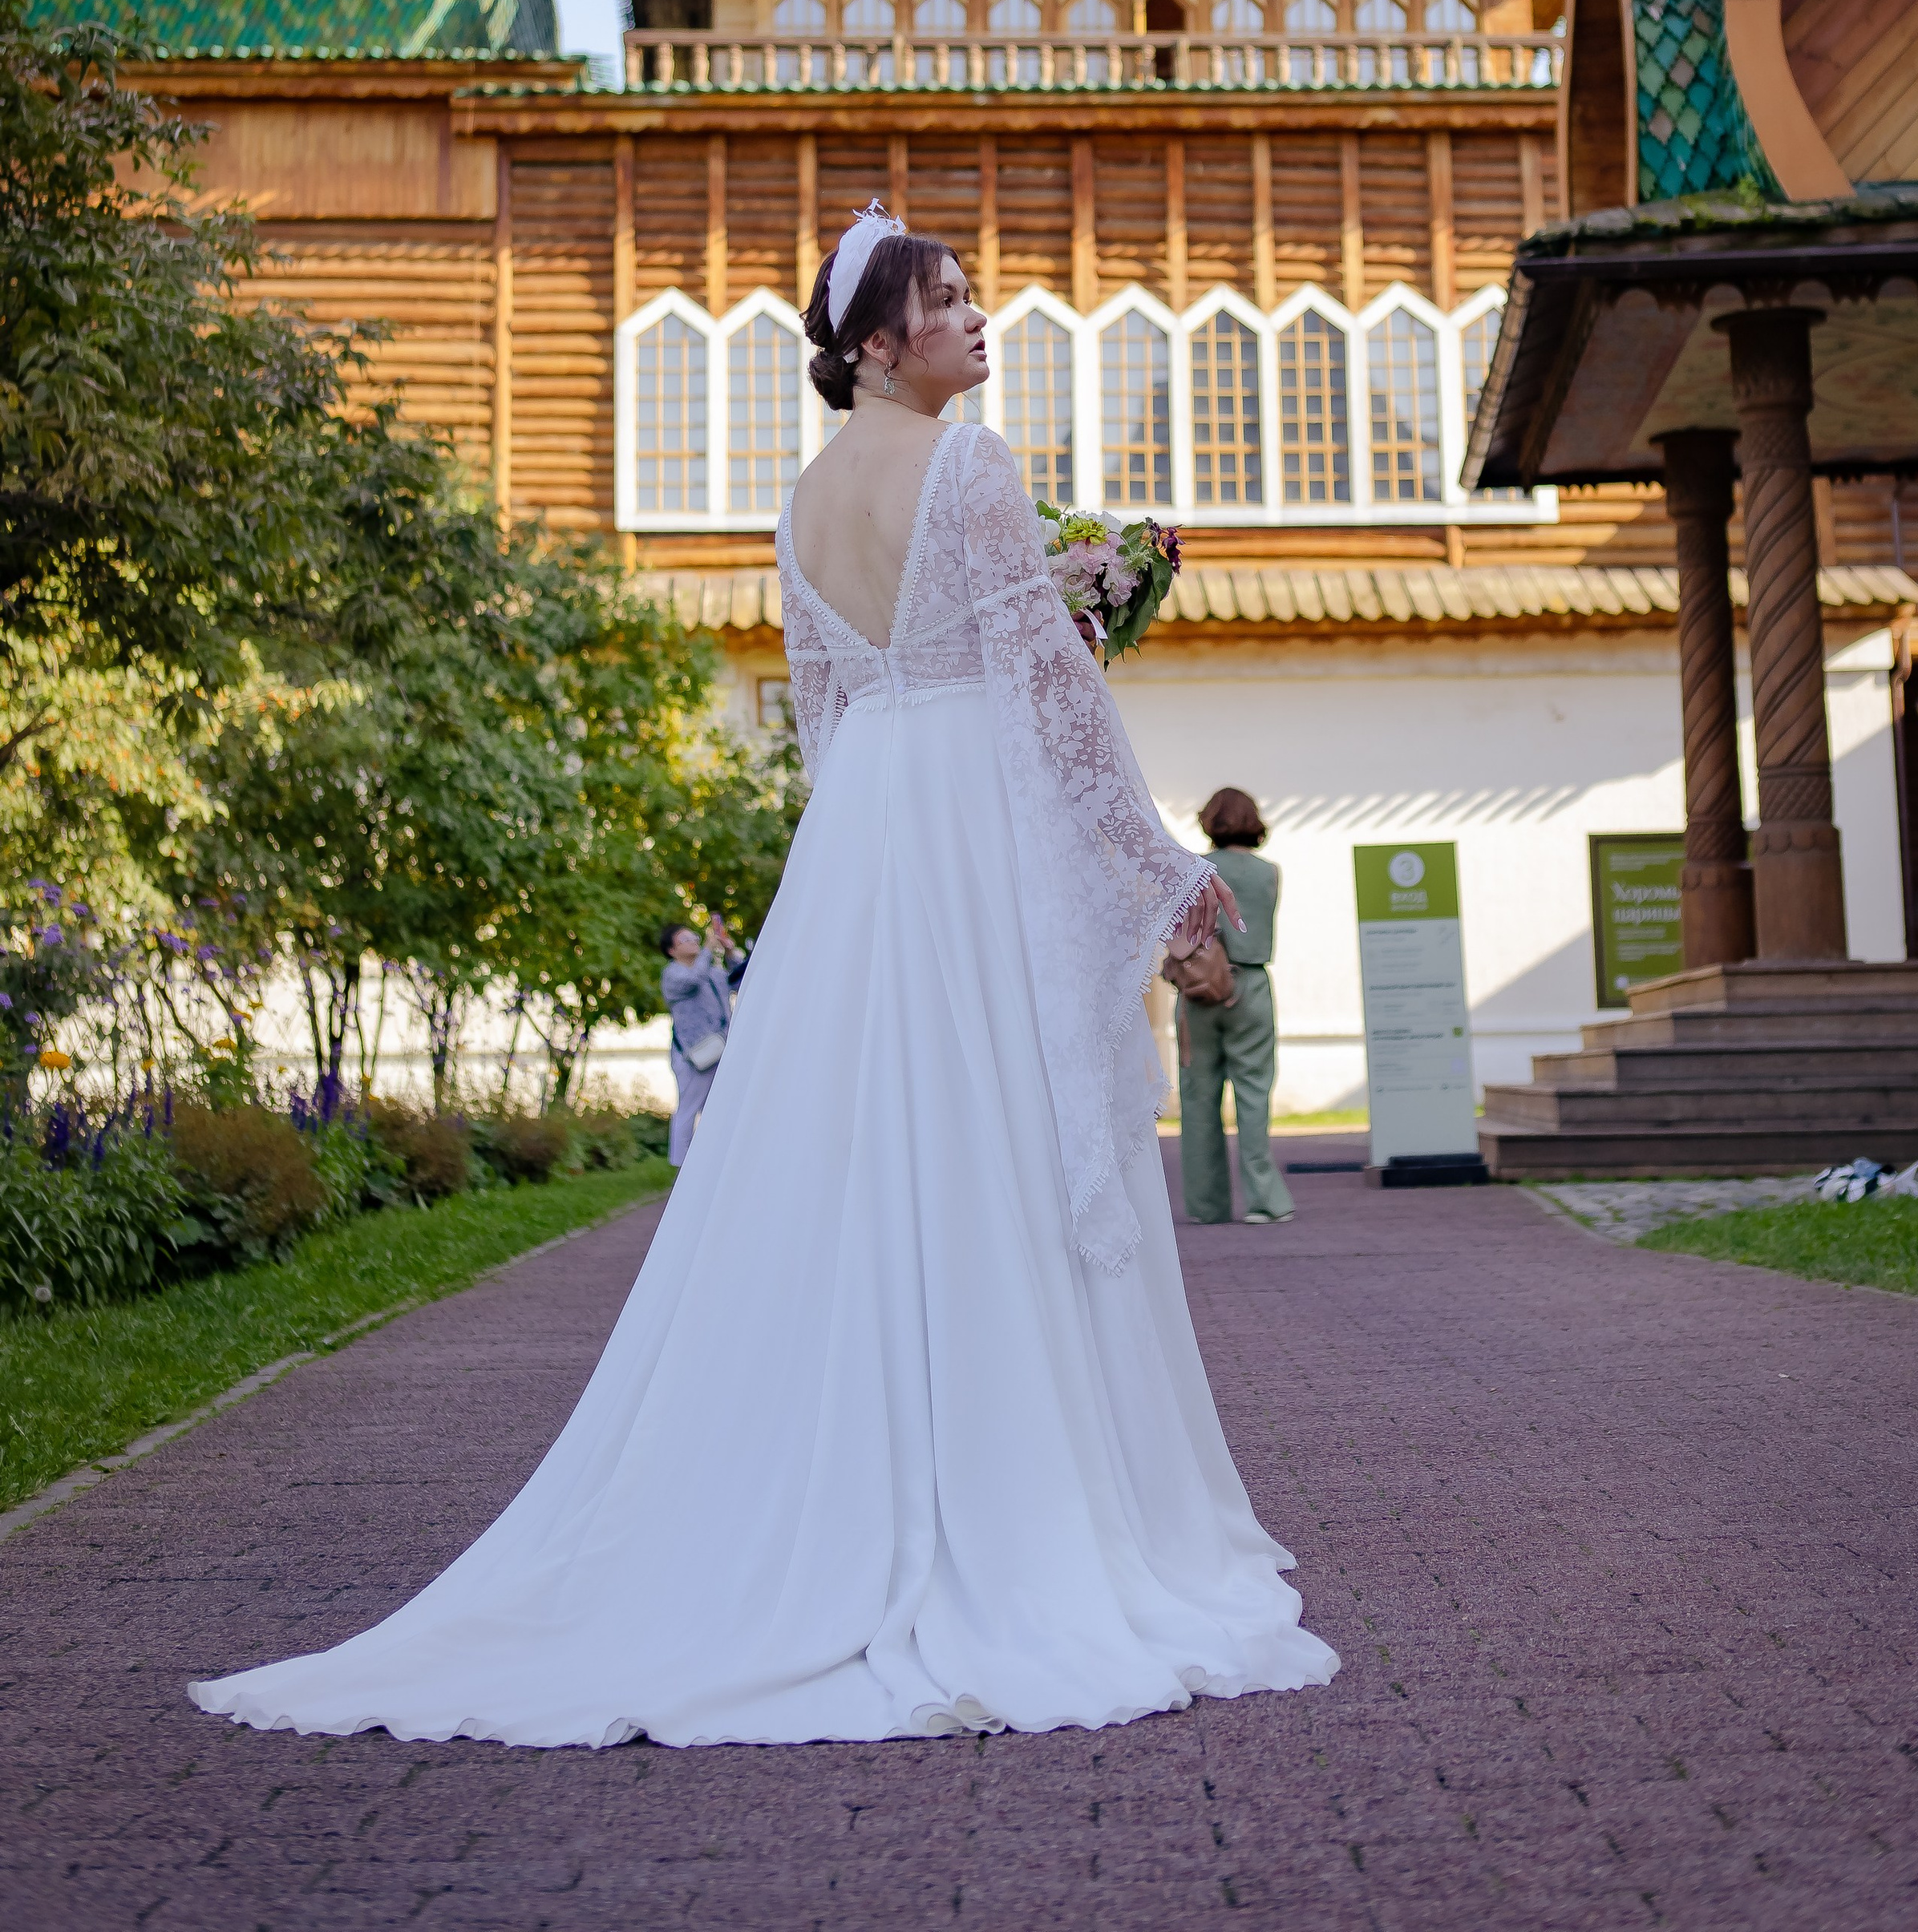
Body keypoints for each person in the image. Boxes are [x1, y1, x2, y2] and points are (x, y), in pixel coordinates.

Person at [190, 200, 1337, 1749]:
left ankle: (825, 1498)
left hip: (865, 846)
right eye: (950, 301)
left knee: (859, 1166)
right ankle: (1014, 1515)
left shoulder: (799, 506)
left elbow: (830, 721)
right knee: (988, 1149)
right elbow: (1054, 705)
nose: (978, 319)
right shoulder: (972, 469)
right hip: (967, 827)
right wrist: (1162, 884)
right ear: (880, 342)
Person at [1175, 788, 1292, 1228]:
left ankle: (1207, 1206)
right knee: (1254, 1093)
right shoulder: (1269, 873)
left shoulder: (1193, 871)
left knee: (1199, 1095)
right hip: (1252, 983)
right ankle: (1265, 1201)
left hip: (1199, 990)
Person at [662, 915, 734, 1162]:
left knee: (720, 1110)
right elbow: (694, 980)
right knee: (688, 1111)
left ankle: (712, 1164)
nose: (693, 941)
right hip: (692, 1056)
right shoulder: (673, 975)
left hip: (721, 1049)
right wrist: (707, 949)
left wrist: (730, 951)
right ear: (672, 950)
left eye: (694, 936)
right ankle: (680, 1168)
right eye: (685, 939)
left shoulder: (712, 972)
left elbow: (737, 981)